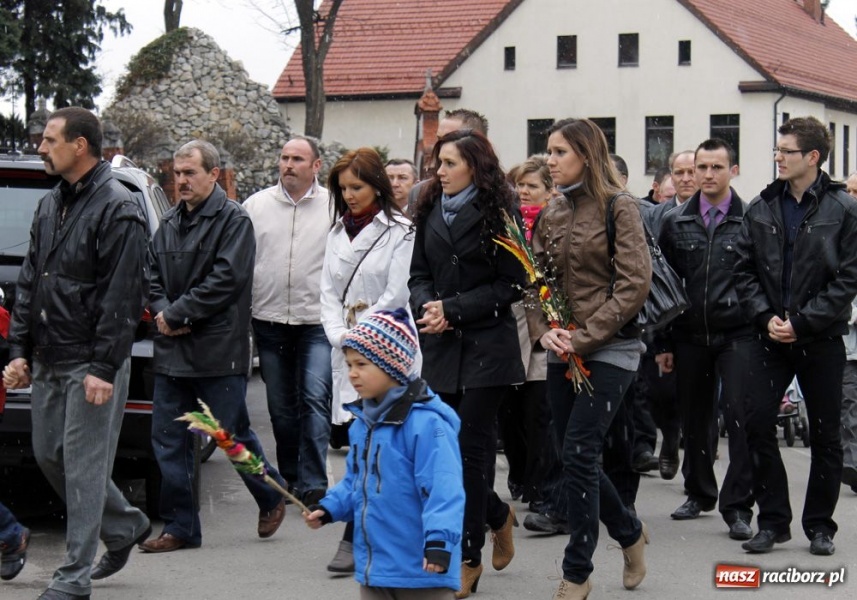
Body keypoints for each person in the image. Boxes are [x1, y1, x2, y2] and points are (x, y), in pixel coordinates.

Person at [2, 106, 151, 600]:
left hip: (92, 362)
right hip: (48, 357)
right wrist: (19, 350)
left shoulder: (118, 206)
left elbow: (124, 296)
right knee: (50, 456)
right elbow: (29, 282)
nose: (41, 148)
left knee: (84, 471)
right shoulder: (51, 204)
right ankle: (125, 524)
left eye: (49, 140)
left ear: (79, 145)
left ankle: (73, 578)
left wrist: (105, 367)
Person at [140, 139, 287, 553]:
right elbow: (150, 275)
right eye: (177, 173)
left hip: (219, 351)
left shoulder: (233, 221)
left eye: (190, 173)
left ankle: (270, 494)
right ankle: (181, 527)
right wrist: (164, 311)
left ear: (214, 174)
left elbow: (226, 280)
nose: (181, 181)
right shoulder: (168, 223)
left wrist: (178, 313)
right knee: (169, 440)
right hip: (172, 353)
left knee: (230, 435)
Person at [526, 118, 651, 599]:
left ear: (586, 154)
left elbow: (632, 285)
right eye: (548, 151)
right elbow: (535, 282)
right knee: (574, 454)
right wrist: (546, 332)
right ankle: (630, 532)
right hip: (563, 348)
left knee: (579, 450)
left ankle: (577, 571)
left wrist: (584, 338)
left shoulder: (620, 207)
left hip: (613, 348)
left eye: (559, 152)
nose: (549, 160)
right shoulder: (553, 209)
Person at [734, 116, 857, 556]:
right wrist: (765, 316)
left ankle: (820, 526)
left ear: (812, 157)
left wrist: (803, 322)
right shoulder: (761, 206)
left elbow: (848, 278)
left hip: (819, 337)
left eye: (785, 151)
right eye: (777, 149)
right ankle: (772, 522)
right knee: (756, 424)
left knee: (824, 434)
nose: (777, 157)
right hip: (768, 335)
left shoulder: (844, 209)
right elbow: (743, 270)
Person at [409, 128, 523, 598]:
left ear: (474, 166)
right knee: (443, 455)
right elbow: (418, 273)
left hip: (487, 350)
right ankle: (496, 514)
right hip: (440, 349)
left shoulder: (501, 212)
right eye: (438, 163)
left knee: (471, 453)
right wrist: (428, 306)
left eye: (449, 163)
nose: (439, 171)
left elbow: (511, 285)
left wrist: (451, 309)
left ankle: (468, 556)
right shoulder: (429, 208)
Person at [304, 308, 464, 599]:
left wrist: (440, 543)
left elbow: (444, 489)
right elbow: (357, 482)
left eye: (361, 364)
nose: (352, 374)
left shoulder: (427, 424)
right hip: (376, 568)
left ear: (391, 366)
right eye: (349, 364)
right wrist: (330, 508)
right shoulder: (363, 423)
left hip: (423, 571)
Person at [320, 148, 418, 573]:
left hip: (389, 348)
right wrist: (340, 337)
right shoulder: (336, 232)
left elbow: (396, 295)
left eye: (356, 187)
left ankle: (355, 534)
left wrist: (362, 337)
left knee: (395, 446)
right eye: (343, 189)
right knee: (364, 440)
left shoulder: (401, 230)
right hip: (348, 350)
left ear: (376, 185)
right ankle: (360, 531)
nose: (350, 195)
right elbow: (326, 292)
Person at [656, 138, 755, 540]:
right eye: (702, 167)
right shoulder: (675, 222)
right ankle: (698, 492)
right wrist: (663, 342)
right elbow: (662, 285)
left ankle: (738, 506)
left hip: (740, 333)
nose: (708, 175)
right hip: (690, 334)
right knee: (695, 418)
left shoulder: (751, 219)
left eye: (717, 167)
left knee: (739, 415)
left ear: (733, 170)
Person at [244, 136, 335, 506]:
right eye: (284, 158)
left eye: (297, 159)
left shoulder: (333, 206)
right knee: (281, 409)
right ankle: (292, 479)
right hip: (268, 320)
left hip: (316, 321)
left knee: (315, 399)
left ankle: (314, 484)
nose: (288, 165)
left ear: (316, 166)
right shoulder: (255, 206)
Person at [499, 156, 553, 506]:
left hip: (543, 323)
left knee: (538, 410)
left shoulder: (553, 224)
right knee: (508, 410)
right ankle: (518, 474)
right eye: (519, 185)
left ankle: (539, 482)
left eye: (532, 186)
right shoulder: (506, 224)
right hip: (507, 322)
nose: (523, 191)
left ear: (550, 191)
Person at [407, 109, 489, 213]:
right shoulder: (420, 193)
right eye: (438, 139)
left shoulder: (501, 198)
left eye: (449, 139)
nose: (440, 146)